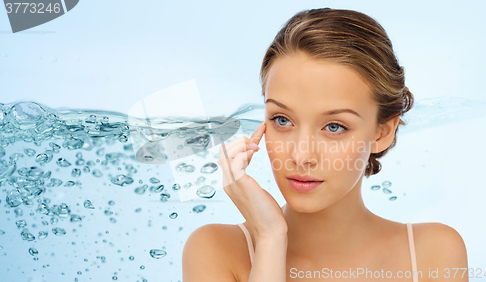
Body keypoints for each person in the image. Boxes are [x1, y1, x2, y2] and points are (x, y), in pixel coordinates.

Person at [182, 8, 468, 282]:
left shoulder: (433, 252)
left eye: (334, 127)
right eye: (282, 120)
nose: (301, 155)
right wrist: (270, 238)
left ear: (382, 132)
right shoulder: (215, 249)